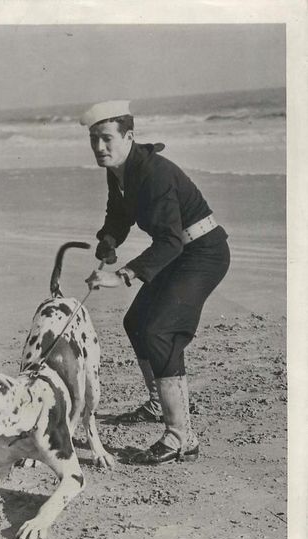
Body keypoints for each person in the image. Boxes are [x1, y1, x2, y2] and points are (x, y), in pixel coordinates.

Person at [81, 100, 230, 465]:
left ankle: (181, 437)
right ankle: (155, 403)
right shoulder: (119, 169)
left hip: (203, 254)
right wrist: (109, 239)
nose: (99, 148)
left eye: (106, 139)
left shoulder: (156, 174)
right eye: (94, 140)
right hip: (178, 254)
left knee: (159, 331)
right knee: (136, 323)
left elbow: (170, 240)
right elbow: (118, 214)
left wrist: (124, 275)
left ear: (129, 136)